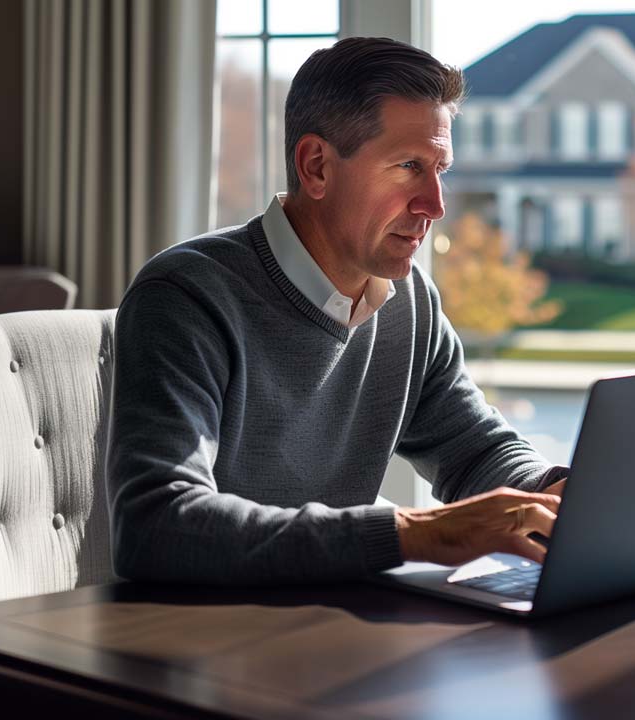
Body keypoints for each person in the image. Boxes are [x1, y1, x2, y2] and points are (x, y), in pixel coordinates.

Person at [106, 36, 568, 585]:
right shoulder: (186, 296)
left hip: (335, 632)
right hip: (207, 648)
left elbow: (474, 451)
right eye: (408, 167)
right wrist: (414, 532)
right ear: (317, 166)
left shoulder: (411, 303)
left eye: (440, 169)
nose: (435, 205)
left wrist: (553, 494)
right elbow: (155, 526)